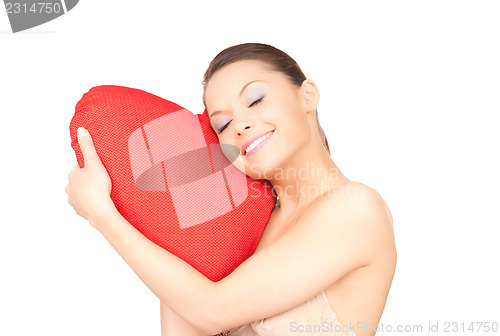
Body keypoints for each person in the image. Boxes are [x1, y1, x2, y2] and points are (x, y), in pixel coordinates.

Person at [66, 43, 397, 336]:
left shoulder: (356, 210)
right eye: (222, 124)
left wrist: (102, 213)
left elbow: (212, 312)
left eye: (255, 99)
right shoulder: (241, 222)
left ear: (307, 95)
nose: (240, 125)